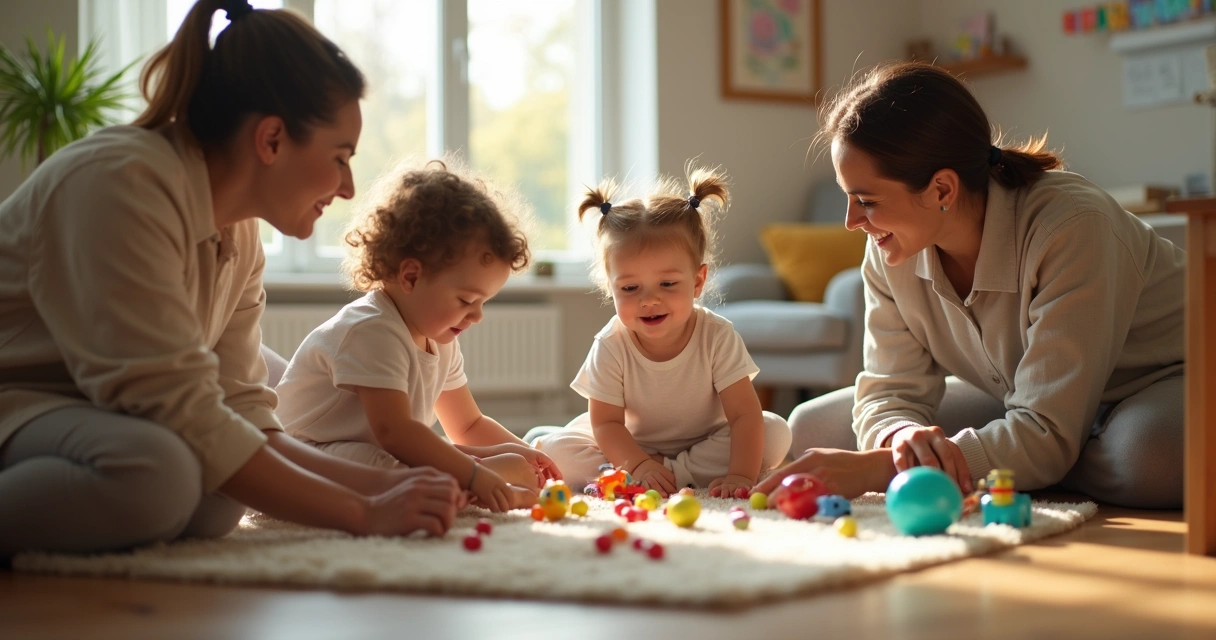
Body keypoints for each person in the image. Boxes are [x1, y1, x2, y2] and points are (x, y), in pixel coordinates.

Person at [0, 0, 464, 557]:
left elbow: (242, 407)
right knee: (163, 472)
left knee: (218, 496)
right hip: (20, 404)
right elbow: (180, 410)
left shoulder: (238, 235)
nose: (347, 186)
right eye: (340, 157)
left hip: (86, 415)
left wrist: (379, 483)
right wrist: (362, 512)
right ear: (271, 140)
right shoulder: (118, 184)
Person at [754, 62, 1185, 509]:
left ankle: (1043, 460)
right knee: (812, 428)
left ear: (941, 189)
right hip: (1022, 400)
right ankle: (1027, 463)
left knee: (1146, 461)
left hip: (1162, 384)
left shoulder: (1072, 226)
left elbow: (1046, 427)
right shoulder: (890, 248)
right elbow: (890, 389)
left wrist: (884, 468)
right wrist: (903, 439)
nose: (850, 222)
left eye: (866, 201)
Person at [276, 159, 561, 512]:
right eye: (467, 300)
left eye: (484, 302)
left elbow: (468, 424)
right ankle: (474, 482)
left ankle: (480, 475)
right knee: (396, 466)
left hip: (376, 448)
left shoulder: (440, 338)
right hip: (306, 454)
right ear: (410, 277)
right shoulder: (373, 330)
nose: (477, 315)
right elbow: (396, 433)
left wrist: (525, 451)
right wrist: (474, 474)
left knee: (430, 452)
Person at [532, 166, 792, 498]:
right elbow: (607, 425)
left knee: (774, 433)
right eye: (629, 287)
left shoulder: (717, 335)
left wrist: (741, 475)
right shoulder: (611, 344)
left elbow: (743, 414)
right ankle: (661, 474)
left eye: (667, 284)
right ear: (610, 288)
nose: (650, 300)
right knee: (559, 453)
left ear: (698, 281)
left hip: (706, 440)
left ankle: (665, 475)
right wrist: (639, 464)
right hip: (629, 442)